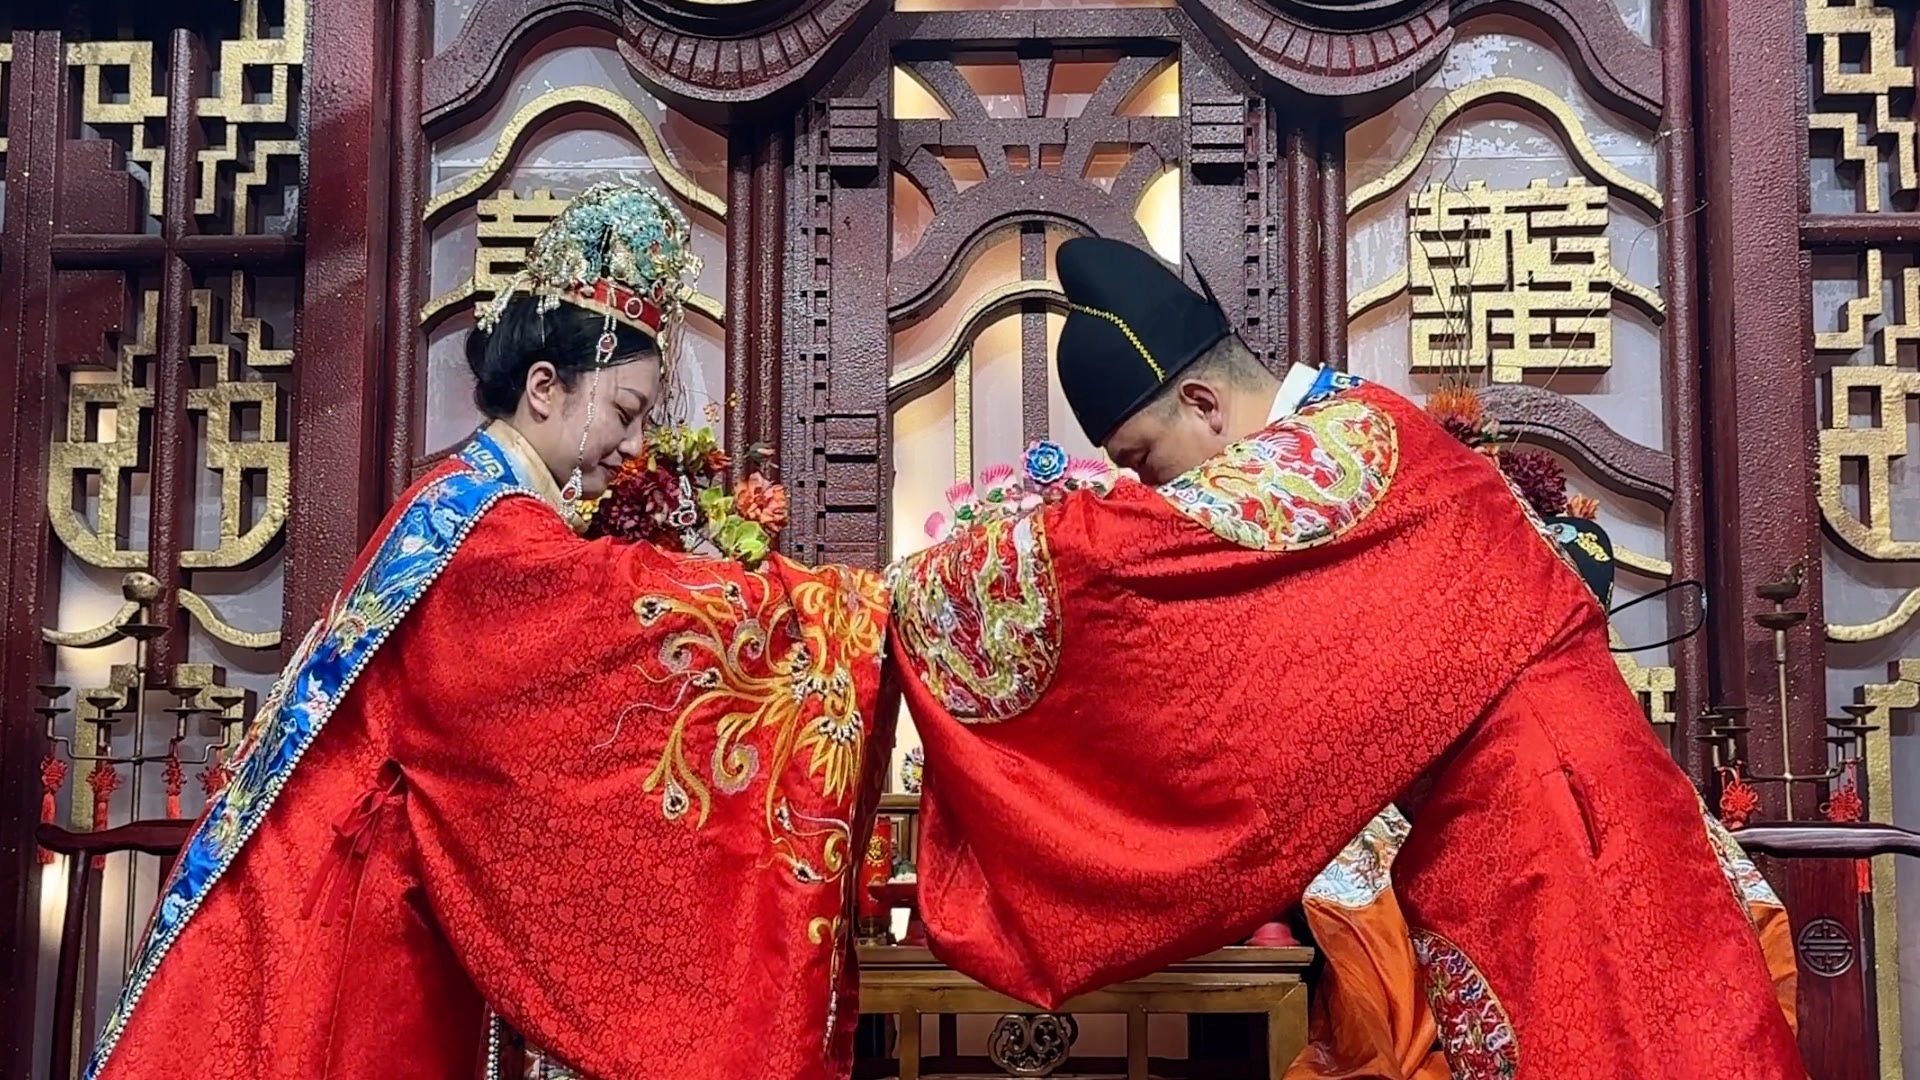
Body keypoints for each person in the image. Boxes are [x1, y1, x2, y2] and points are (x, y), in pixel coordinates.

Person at [887, 236, 1805, 1078]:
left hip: (1560, 829)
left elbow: (1118, 553)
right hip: (1525, 823)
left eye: (1146, 461)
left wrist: (884, 602)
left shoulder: (1346, 453)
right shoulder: (1352, 435)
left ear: (1202, 403)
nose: (1151, 490)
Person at [87, 183, 890, 1080]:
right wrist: (823, 614)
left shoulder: (463, 503)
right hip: (345, 921)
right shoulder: (488, 535)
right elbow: (613, 601)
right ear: (545, 387)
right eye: (624, 413)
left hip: (346, 893)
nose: (633, 447)